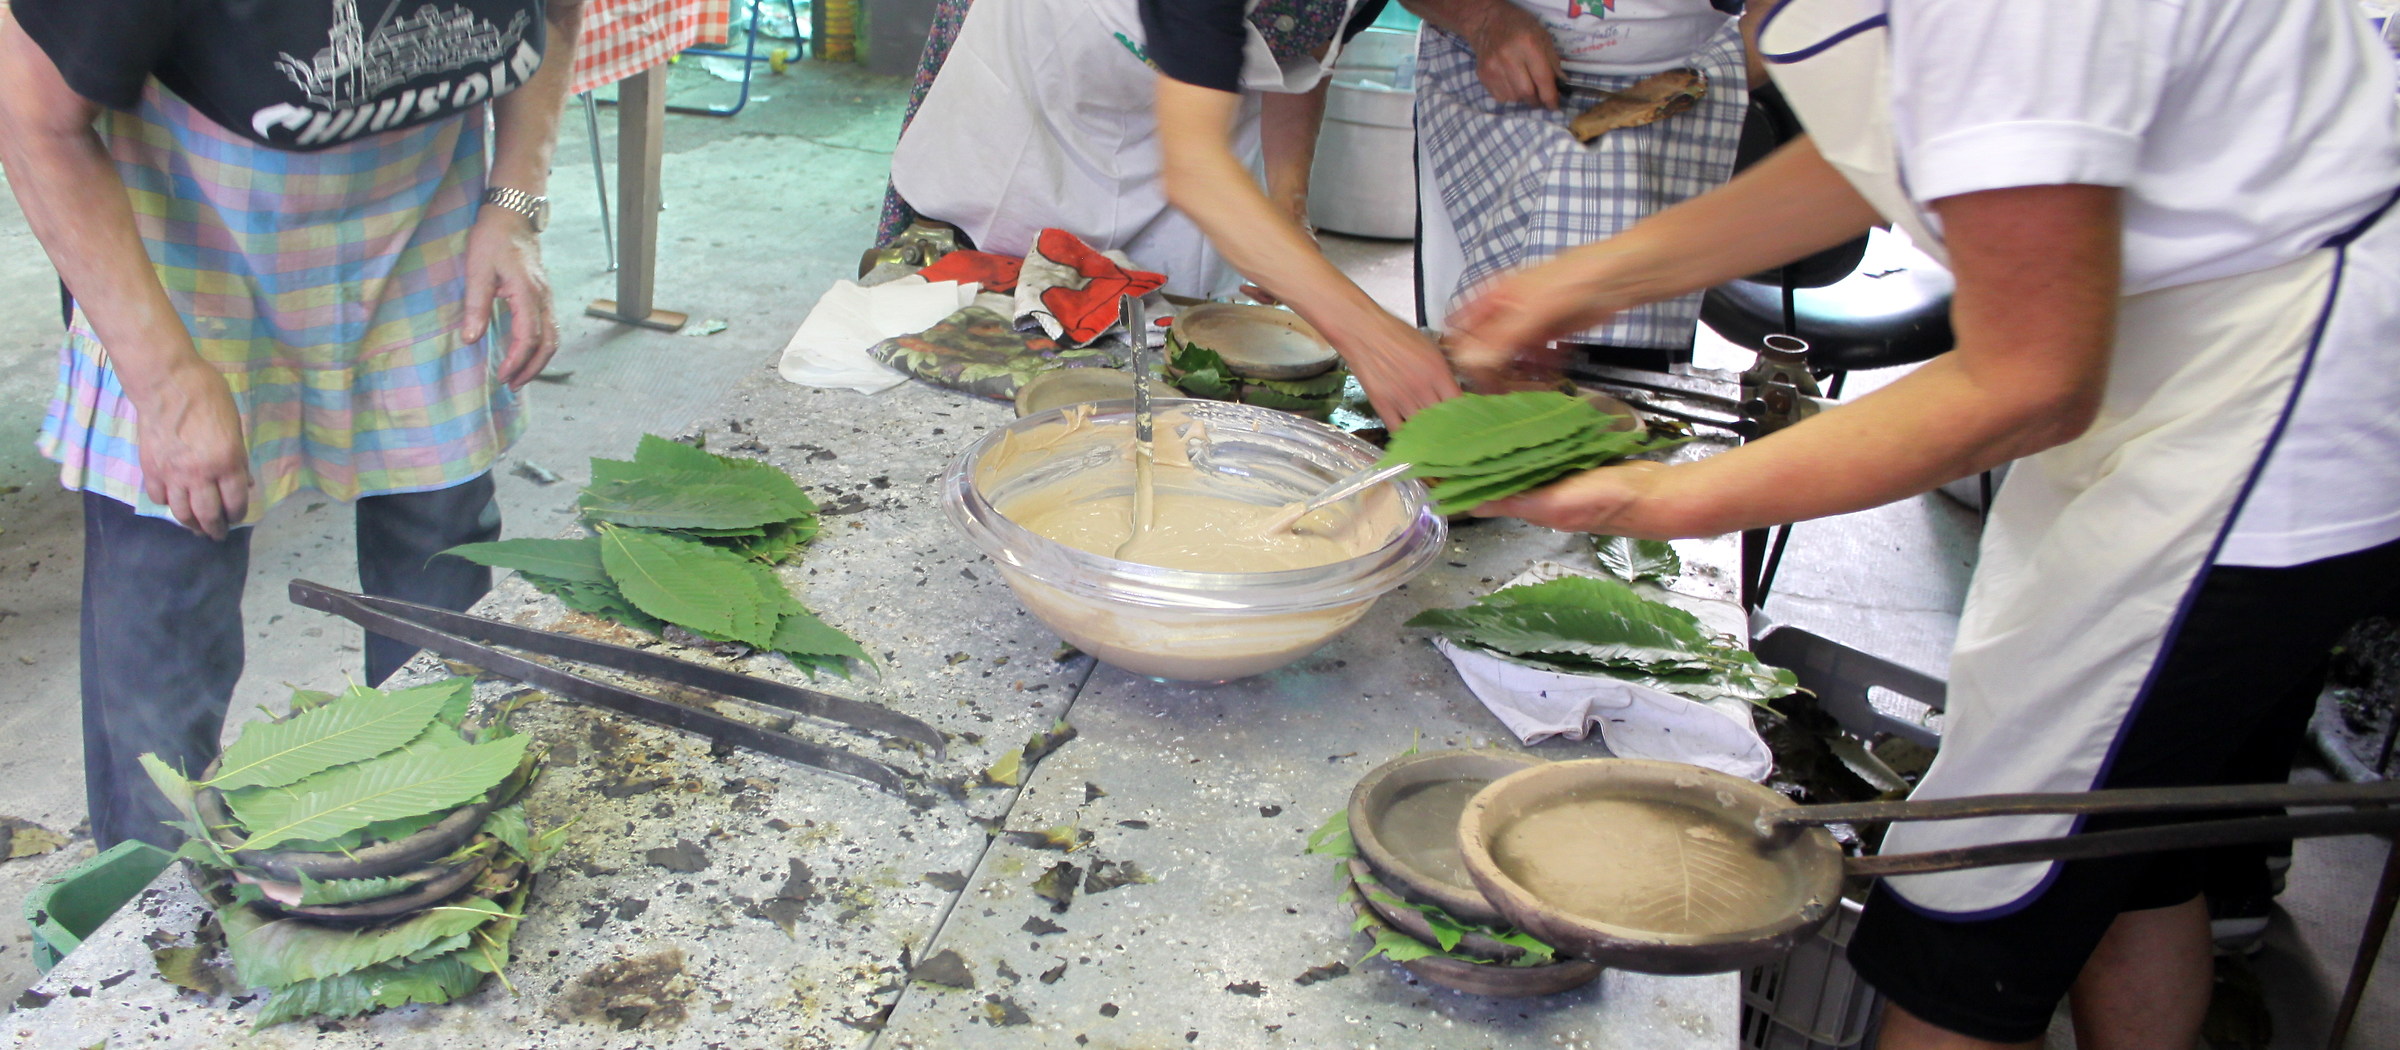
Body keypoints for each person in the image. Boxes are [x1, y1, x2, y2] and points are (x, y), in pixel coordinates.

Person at [1443, 1, 2400, 1047]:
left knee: (1976, 894)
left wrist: (1656, 497)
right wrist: (1583, 280)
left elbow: (2027, 380)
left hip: (2260, 412)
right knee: (2118, 848)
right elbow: (1885, 151)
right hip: (2160, 360)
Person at [0, 0, 582, 850]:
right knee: (170, 597)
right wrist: (165, 382)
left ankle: (430, 852)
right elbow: (32, 120)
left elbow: (557, 12)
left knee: (439, 562)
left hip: (423, 240)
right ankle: (148, 911)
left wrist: (514, 201)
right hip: (185, 254)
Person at [887, 0, 1458, 421]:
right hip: (1056, 69)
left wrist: (1287, 204)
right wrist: (1370, 336)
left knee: (1168, 356)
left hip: (1202, 104)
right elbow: (1196, 173)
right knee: (994, 343)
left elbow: (1303, 48)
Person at [1409, 0, 1761, 368]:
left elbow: (1790, 13)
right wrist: (1480, 18)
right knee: (1463, 346)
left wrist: (1613, 277)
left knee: (1630, 375)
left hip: (1677, 88)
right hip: (1486, 73)